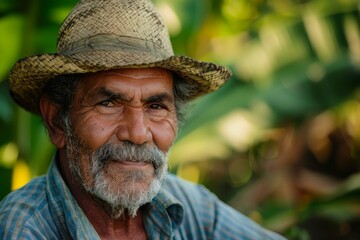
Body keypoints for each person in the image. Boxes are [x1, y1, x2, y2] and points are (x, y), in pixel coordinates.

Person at [0, 0, 286, 239]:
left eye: (156, 106)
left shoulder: (190, 206)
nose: (137, 133)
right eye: (108, 103)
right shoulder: (24, 229)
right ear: (57, 122)